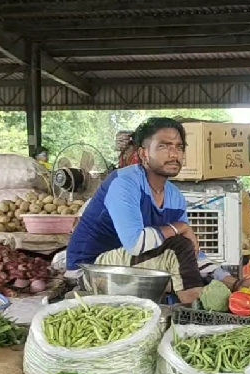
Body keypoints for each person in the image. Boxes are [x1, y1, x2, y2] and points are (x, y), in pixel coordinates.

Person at [65, 117, 237, 304]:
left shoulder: (174, 196)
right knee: (179, 248)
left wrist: (229, 280)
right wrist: (180, 227)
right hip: (89, 269)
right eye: (164, 146)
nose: (174, 154)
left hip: (131, 263)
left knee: (186, 257)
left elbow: (192, 250)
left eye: (179, 147)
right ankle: (192, 307)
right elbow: (136, 244)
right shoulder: (124, 183)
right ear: (144, 153)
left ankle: (195, 299)